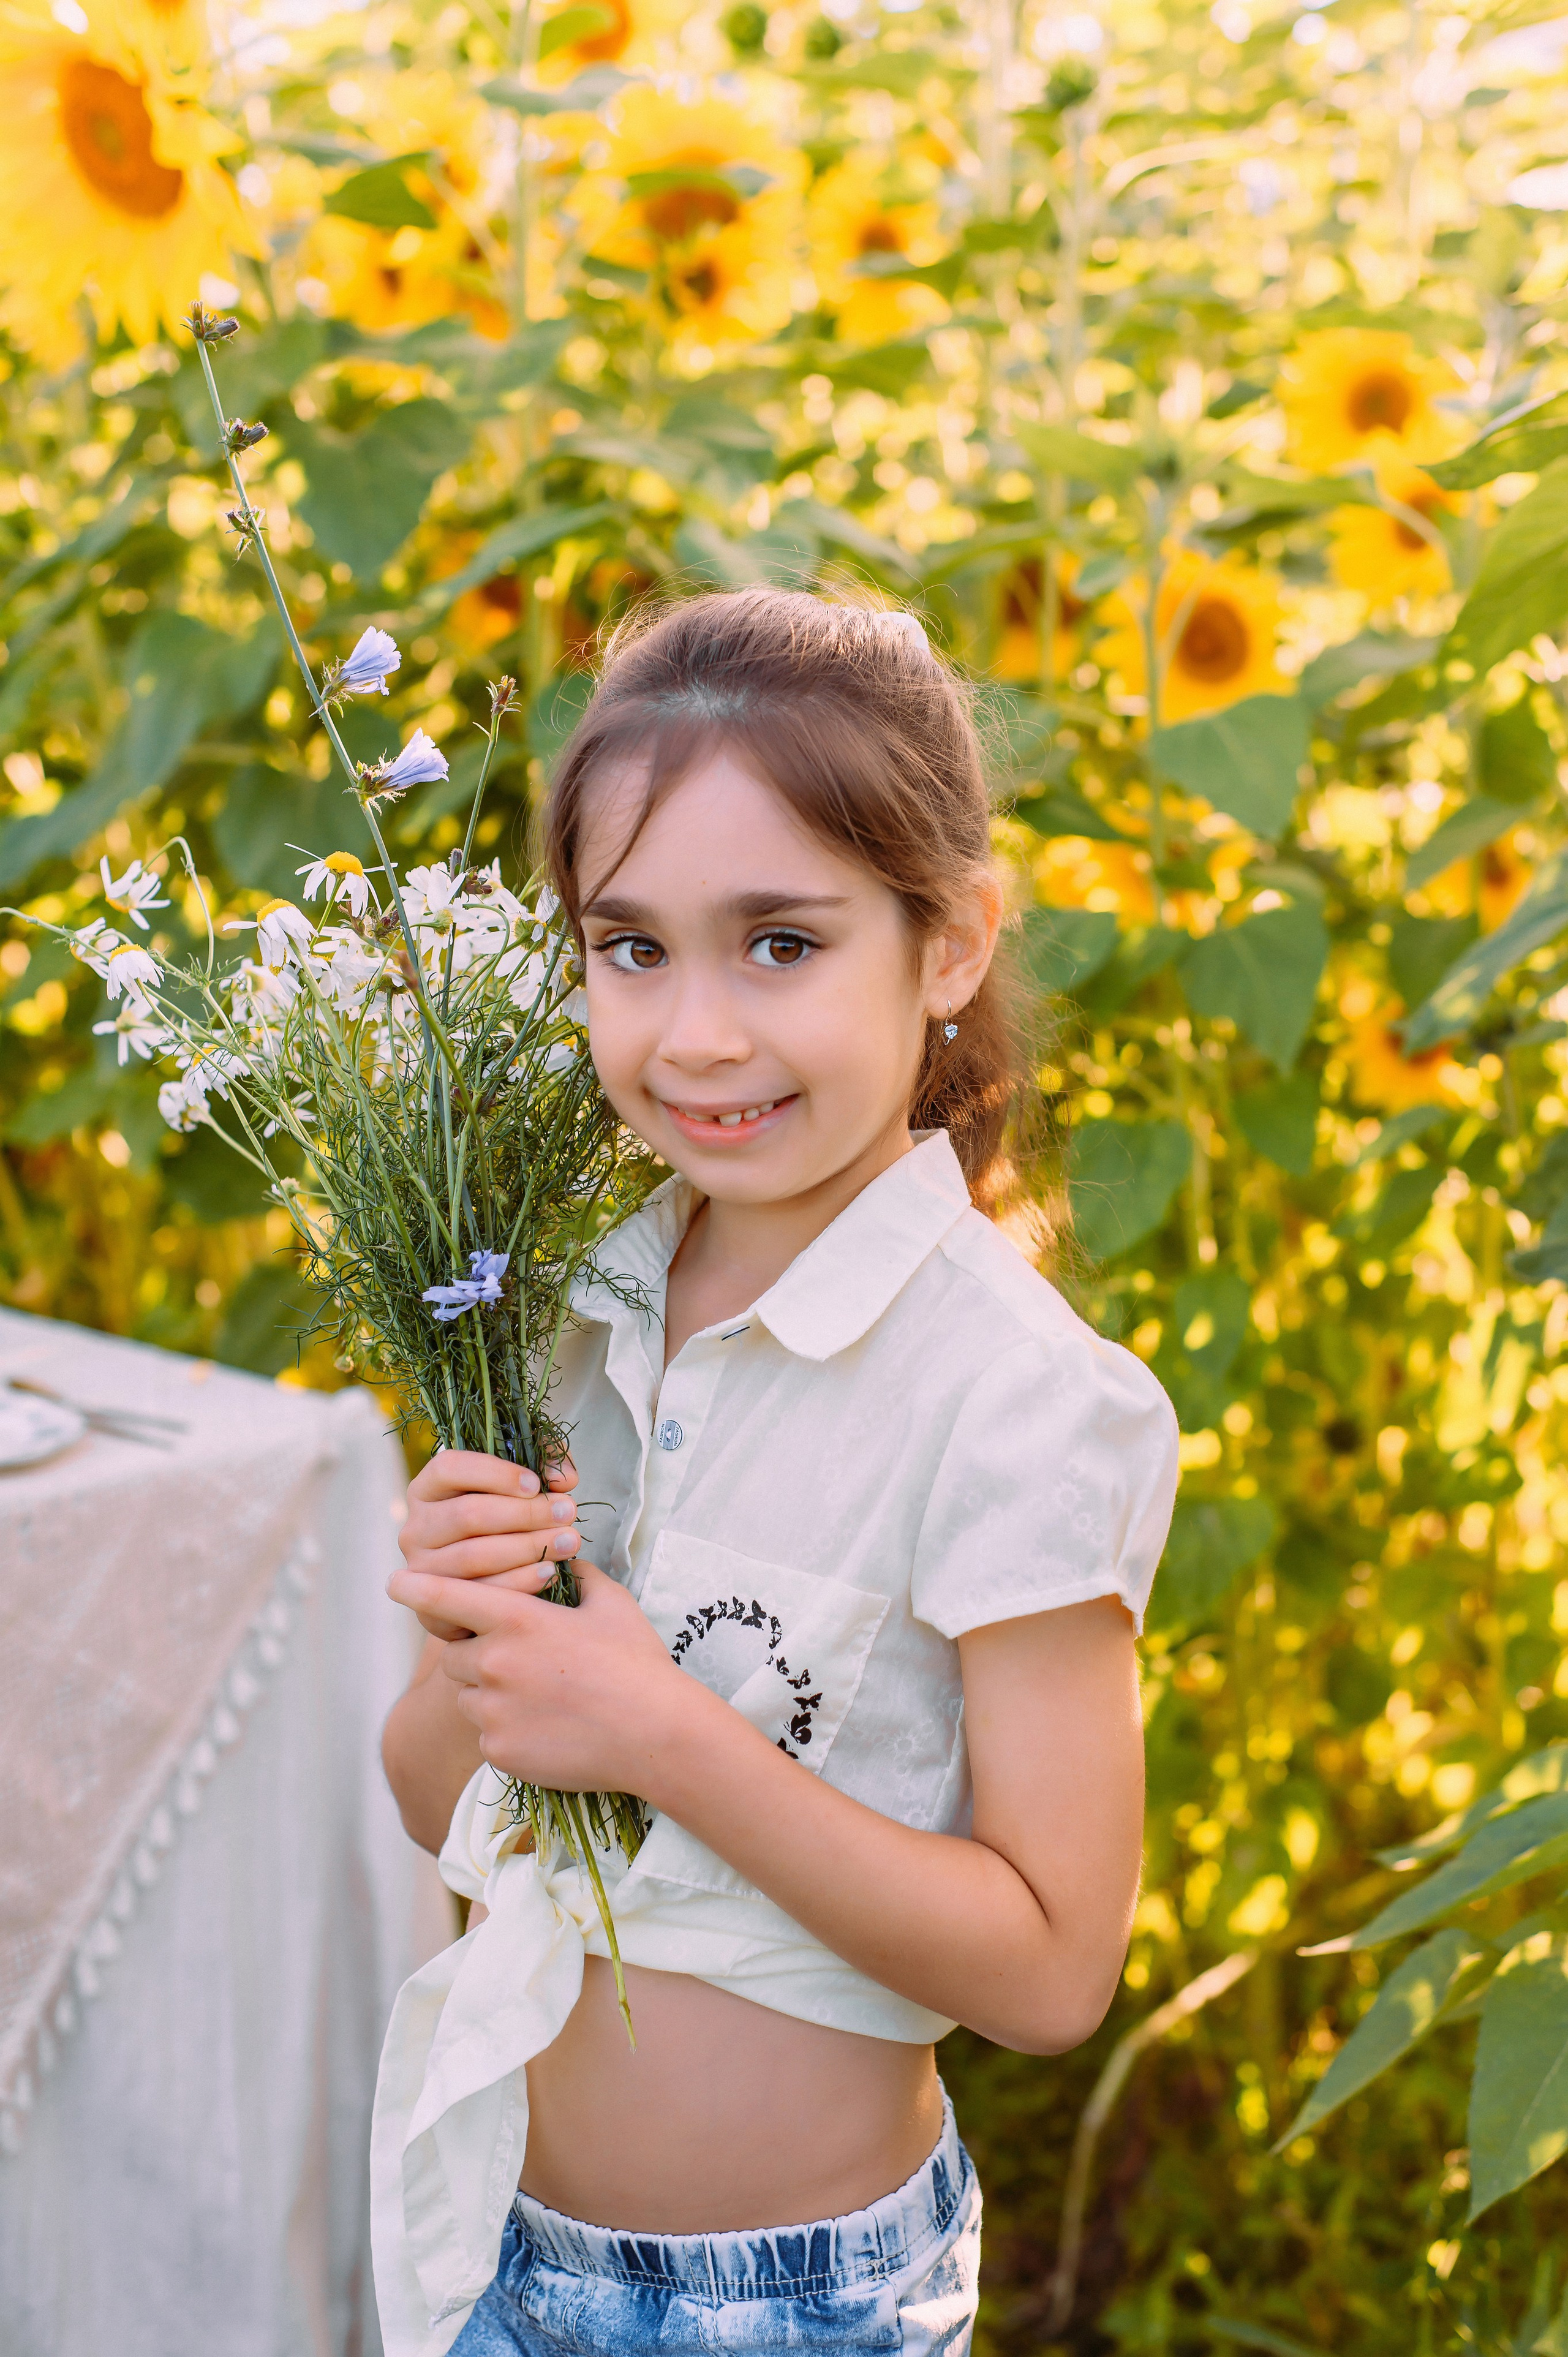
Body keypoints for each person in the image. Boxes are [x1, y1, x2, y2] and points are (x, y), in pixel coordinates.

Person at [373, 588, 1179, 2357]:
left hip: (798, 2308)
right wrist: (465, 1628)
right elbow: (440, 1806)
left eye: (783, 944)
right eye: (632, 949)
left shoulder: (1015, 1403)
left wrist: (663, 1732)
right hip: (489, 2242)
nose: (698, 1035)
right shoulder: (559, 1322)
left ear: (949, 943)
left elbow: (1055, 1970)